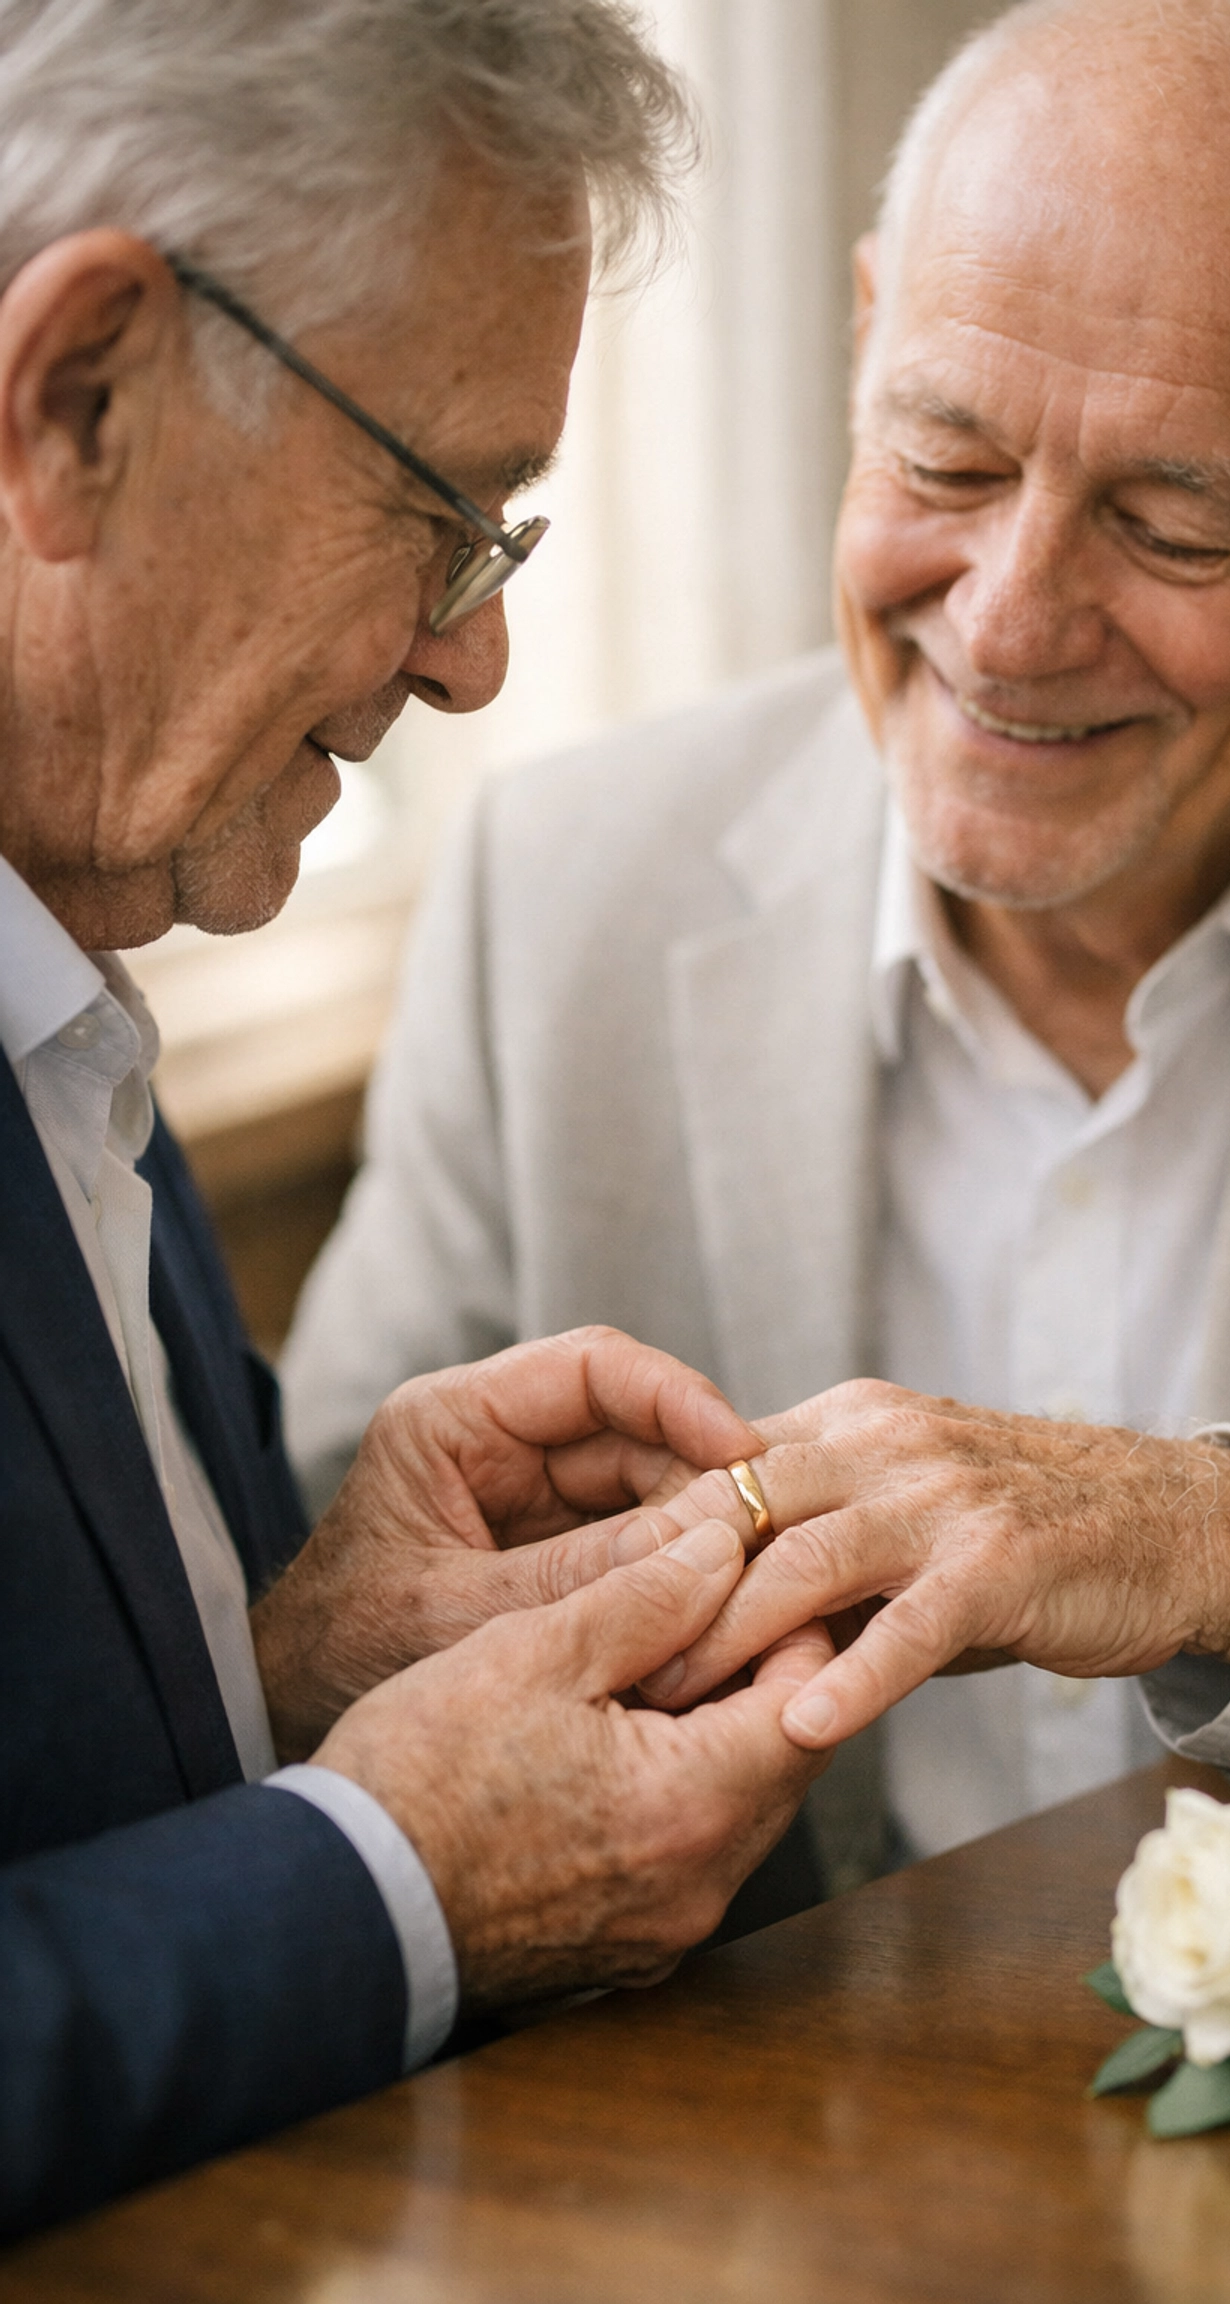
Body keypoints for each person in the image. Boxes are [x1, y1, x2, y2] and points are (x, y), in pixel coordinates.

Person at [284, 0, 1230, 1887]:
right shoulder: (562, 888)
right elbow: (315, 1615)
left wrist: (1215, 1540)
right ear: (869, 348)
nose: (1012, 623)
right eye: (946, 460)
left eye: (1172, 522)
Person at [0, 0, 834, 2242]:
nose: (473, 662)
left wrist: (289, 1672)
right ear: (77, 399)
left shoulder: (70, 971)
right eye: (440, 508)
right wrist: (405, 1874)